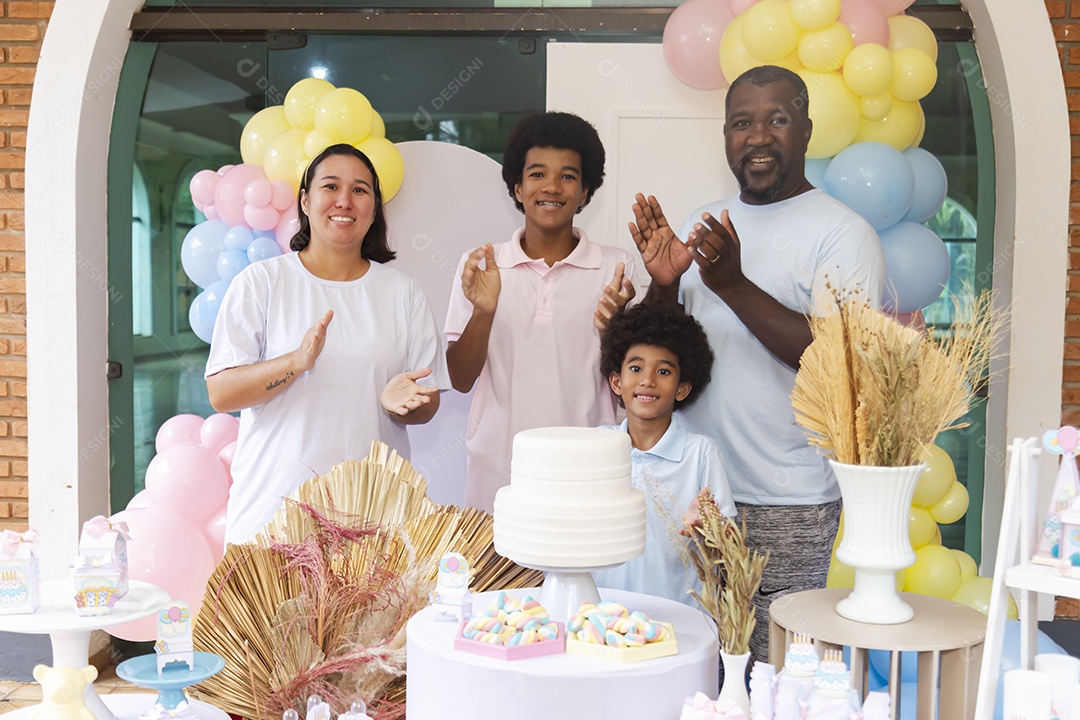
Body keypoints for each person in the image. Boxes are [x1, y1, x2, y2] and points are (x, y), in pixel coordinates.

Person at [628, 65, 885, 663]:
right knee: (685, 658)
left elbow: (836, 366)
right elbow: (670, 354)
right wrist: (664, 287)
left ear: (806, 130)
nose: (758, 136)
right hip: (690, 485)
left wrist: (734, 286)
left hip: (785, 497)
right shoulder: (709, 221)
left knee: (773, 668)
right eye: (742, 123)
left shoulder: (843, 233)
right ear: (725, 136)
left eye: (777, 119)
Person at [206, 143, 449, 544]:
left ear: (374, 207)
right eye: (330, 186)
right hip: (275, 517)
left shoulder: (402, 292)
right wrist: (295, 363)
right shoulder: (261, 282)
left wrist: (404, 405)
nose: (344, 201)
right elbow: (221, 393)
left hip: (374, 521)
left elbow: (429, 403)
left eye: (360, 190)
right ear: (305, 200)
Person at [444, 111, 637, 512]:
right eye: (537, 174)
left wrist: (613, 330)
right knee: (500, 577)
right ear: (517, 187)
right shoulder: (482, 264)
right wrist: (484, 311)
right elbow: (460, 379)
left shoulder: (617, 268)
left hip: (589, 473)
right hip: (498, 475)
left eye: (568, 176)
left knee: (584, 575)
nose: (551, 187)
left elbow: (633, 384)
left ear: (585, 192)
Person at [591, 302, 735, 606]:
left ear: (682, 389)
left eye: (664, 371)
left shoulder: (700, 454)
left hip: (683, 622)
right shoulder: (596, 447)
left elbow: (729, 550)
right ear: (616, 382)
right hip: (602, 618)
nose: (648, 380)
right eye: (635, 368)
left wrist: (712, 529)